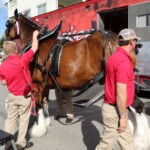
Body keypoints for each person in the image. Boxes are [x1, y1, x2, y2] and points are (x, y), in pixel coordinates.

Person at [95, 28, 141, 150]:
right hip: (115, 111)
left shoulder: (114, 57)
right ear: (131, 42)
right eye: (136, 40)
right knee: (106, 145)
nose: (136, 43)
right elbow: (121, 92)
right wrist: (123, 117)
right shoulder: (124, 62)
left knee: (127, 142)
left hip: (114, 108)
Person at [0, 30, 40, 150]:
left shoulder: (3, 66)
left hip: (12, 96)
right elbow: (34, 47)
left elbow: (3, 82)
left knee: (10, 119)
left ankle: (7, 144)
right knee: (23, 120)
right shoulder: (23, 59)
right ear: (15, 50)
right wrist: (34, 35)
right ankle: (21, 143)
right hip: (24, 96)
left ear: (6, 53)